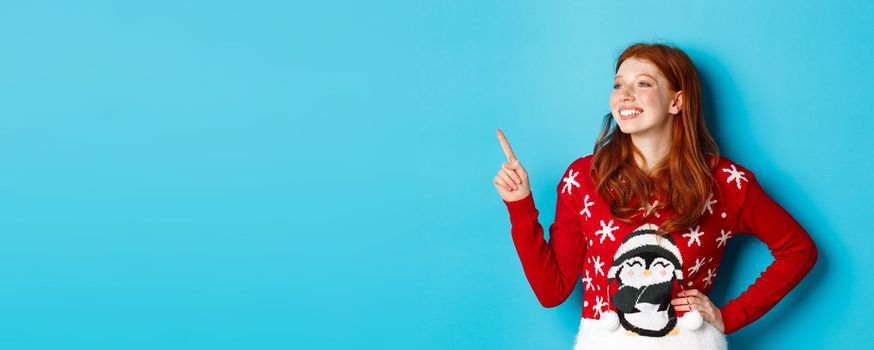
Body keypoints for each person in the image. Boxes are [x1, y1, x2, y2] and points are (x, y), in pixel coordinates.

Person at [493, 42, 818, 349]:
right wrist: (519, 205)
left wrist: (729, 317)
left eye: (643, 84)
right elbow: (552, 291)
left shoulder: (727, 183)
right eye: (618, 85)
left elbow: (798, 250)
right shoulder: (584, 178)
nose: (625, 95)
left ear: (677, 101)